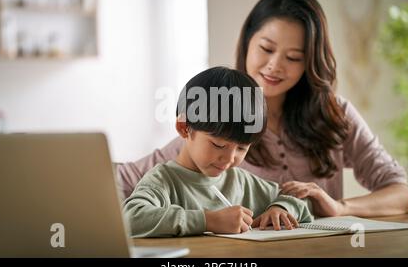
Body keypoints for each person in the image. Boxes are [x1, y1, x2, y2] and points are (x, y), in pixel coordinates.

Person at [118, 0, 408, 218]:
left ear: (309, 62)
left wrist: (341, 207)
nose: (275, 66)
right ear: (247, 42)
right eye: (266, 49)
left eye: (293, 57)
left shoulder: (337, 115)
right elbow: (123, 181)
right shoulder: (217, 116)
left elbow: (400, 193)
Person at [123, 67, 313, 237]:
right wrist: (208, 221)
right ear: (184, 127)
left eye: (241, 148)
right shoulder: (163, 181)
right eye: (219, 145)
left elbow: (299, 203)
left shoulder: (242, 182)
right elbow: (130, 218)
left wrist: (279, 207)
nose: (230, 159)